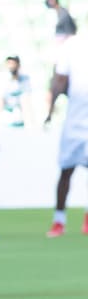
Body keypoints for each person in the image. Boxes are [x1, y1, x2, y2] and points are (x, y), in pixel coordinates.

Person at [45, 37, 88, 237]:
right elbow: (60, 79)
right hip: (75, 120)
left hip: (76, 121)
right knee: (66, 170)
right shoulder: (72, 45)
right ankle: (59, 220)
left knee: (66, 173)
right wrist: (50, 109)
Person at [1, 55, 31, 127]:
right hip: (7, 117)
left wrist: (29, 123)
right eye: (9, 63)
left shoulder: (25, 79)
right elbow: (1, 100)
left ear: (18, 65)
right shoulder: (3, 80)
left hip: (21, 118)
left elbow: (26, 100)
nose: (11, 66)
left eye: (13, 63)